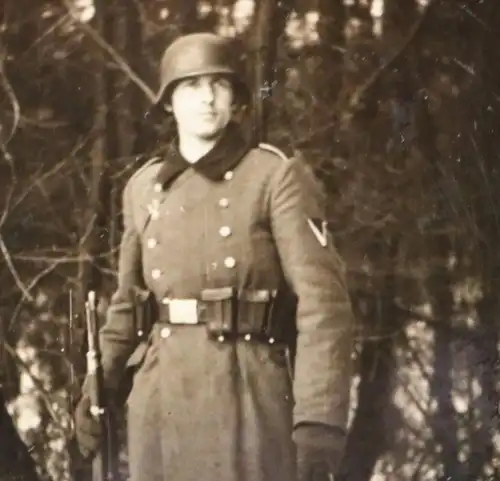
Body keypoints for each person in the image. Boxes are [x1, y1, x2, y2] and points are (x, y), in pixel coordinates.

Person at [75, 32, 354, 481]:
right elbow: (128, 304)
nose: (207, 98)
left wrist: (319, 420)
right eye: (191, 85)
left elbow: (324, 306)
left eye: (219, 84)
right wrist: (99, 386)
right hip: (161, 401)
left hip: (248, 396)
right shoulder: (144, 188)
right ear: (168, 101)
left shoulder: (273, 176)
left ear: (235, 97)